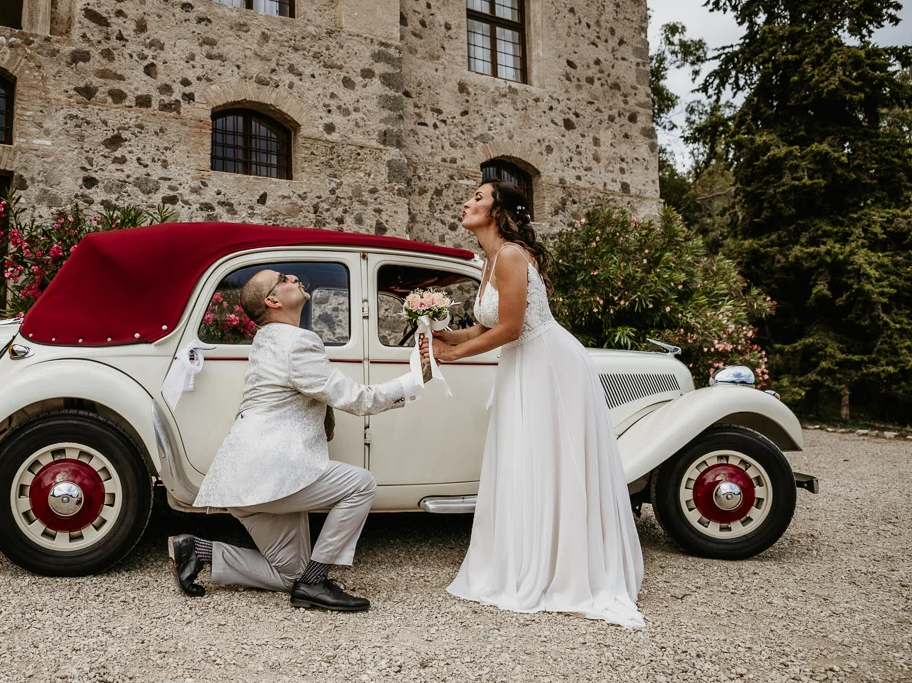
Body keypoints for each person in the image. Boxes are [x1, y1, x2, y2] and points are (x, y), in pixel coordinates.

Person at [420, 181, 645, 628]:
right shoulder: (489, 261)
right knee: (526, 458)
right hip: (523, 364)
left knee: (552, 460)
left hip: (549, 365)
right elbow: (489, 323)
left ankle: (567, 571)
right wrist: (446, 337)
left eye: (478, 198)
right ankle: (532, 558)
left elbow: (511, 328)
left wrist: (456, 354)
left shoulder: (509, 255)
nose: (467, 202)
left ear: (498, 212)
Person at [169, 269, 430, 611]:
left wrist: (326, 415)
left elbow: (299, 389)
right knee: (360, 484)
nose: (293, 277)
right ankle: (316, 581)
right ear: (273, 301)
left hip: (243, 481)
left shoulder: (268, 339)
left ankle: (198, 550)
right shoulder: (296, 343)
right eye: (283, 278)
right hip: (269, 473)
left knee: (287, 574)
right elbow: (358, 399)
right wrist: (414, 381)